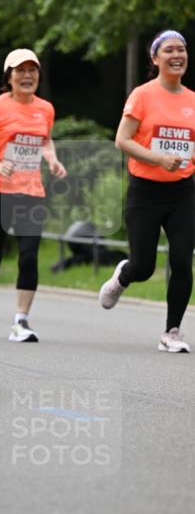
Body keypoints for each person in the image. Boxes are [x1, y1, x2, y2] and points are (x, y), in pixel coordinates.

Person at [0, 48, 67, 342]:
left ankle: (21, 321)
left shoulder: (45, 109)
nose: (27, 76)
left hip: (31, 192)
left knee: (29, 256)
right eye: (20, 71)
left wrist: (52, 158)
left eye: (32, 70)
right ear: (9, 77)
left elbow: (45, 140)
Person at [99, 30, 194, 352]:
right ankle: (123, 276)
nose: (177, 55)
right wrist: (159, 159)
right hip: (145, 193)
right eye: (169, 50)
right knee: (144, 266)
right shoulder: (143, 95)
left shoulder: (192, 100)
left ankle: (172, 331)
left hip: (183, 193)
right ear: (155, 58)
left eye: (181, 49)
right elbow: (122, 140)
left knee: (182, 260)